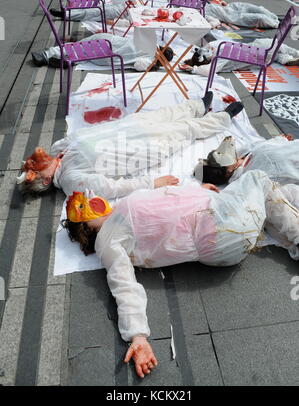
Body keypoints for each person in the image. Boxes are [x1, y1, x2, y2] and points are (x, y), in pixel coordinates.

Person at [62, 169, 299, 377]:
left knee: (277, 195)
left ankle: (290, 237)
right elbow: (123, 284)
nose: (95, 198)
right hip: (221, 228)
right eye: (89, 205)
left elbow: (165, 205)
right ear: (87, 228)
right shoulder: (108, 239)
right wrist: (137, 335)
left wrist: (197, 192)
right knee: (258, 178)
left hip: (219, 223)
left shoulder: (117, 218)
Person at [16, 97, 244, 196]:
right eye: (36, 169)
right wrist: (152, 183)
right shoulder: (70, 179)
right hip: (143, 146)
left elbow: (72, 138)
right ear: (46, 180)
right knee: (186, 130)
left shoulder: (58, 150)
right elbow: (112, 188)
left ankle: (198, 106)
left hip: (128, 126)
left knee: (166, 114)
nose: (37, 160)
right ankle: (224, 117)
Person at [31, 31, 175, 70]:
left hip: (109, 44)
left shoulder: (150, 44)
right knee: (81, 49)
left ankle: (49, 54)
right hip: (108, 51)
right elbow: (138, 65)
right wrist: (153, 66)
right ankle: (68, 60)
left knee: (79, 47)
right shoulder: (150, 59)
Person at [197, 134, 299, 188]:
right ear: (227, 172)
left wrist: (280, 140)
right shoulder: (251, 176)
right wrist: (280, 142)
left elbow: (258, 146)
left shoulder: (240, 157)